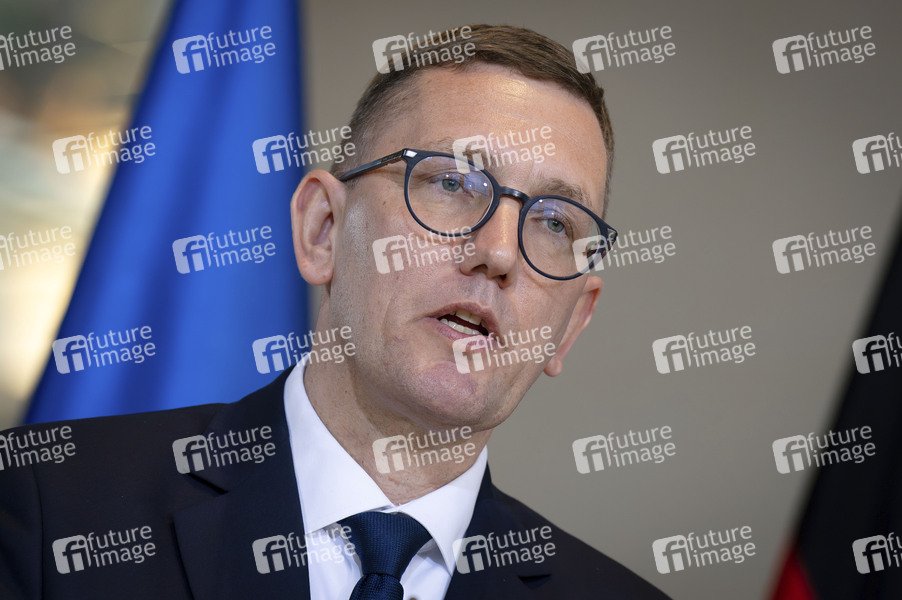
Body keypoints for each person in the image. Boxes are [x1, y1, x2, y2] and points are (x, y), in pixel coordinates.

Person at [0, 24, 671, 600]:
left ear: (571, 325)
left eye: (555, 222)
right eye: (453, 182)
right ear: (322, 229)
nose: (498, 252)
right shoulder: (49, 506)